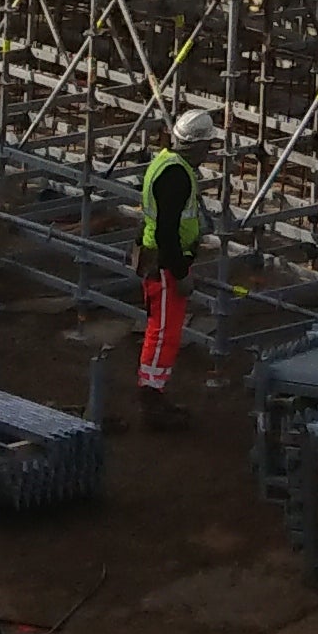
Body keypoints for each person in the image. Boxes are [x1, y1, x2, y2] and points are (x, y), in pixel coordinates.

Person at [134, 108, 217, 425]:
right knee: (163, 332)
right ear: (196, 145)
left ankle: (152, 392)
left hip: (158, 257)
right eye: (207, 146)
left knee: (160, 328)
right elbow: (168, 229)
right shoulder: (177, 175)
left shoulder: (165, 162)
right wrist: (180, 273)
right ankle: (151, 399)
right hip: (167, 262)